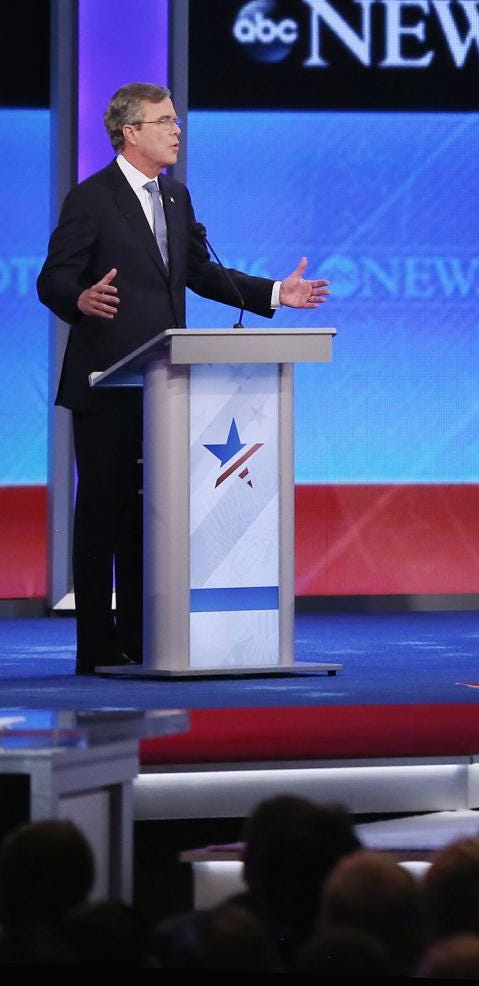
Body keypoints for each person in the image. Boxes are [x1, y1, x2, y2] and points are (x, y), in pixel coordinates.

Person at [37, 82, 329, 675]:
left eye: (176, 120)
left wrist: (275, 292)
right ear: (130, 132)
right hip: (105, 383)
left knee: (151, 514)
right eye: (165, 121)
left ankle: (146, 639)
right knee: (101, 511)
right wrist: (80, 298)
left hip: (164, 388)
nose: (177, 130)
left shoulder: (176, 198)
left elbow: (200, 272)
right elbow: (52, 278)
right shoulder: (91, 199)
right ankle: (96, 645)